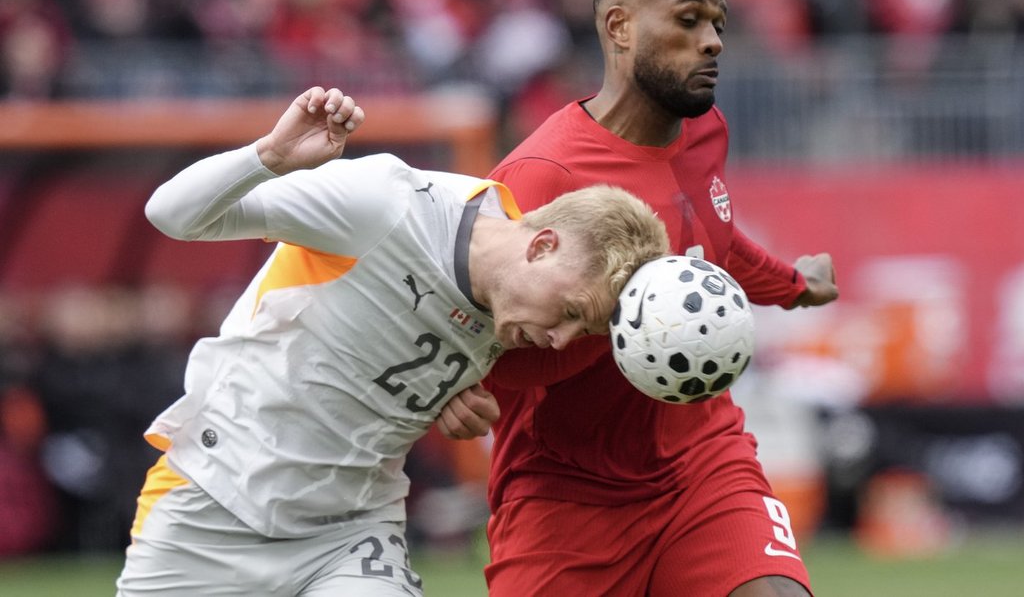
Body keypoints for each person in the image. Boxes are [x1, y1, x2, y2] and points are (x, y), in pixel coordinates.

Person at [115, 86, 670, 596]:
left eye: (582, 330)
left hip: (350, 536)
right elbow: (171, 214)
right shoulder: (386, 205)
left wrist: (448, 393)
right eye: (572, 313)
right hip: (214, 501)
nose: (559, 340)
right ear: (542, 244)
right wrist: (270, 157)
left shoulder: (518, 310)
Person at [438, 0, 840, 597]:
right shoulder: (540, 178)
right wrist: (447, 385)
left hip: (704, 461)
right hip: (566, 495)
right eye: (688, 20)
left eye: (718, 24)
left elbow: (711, 240)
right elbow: (456, 314)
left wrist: (794, 286)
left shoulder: (706, 131)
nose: (711, 41)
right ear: (619, 27)